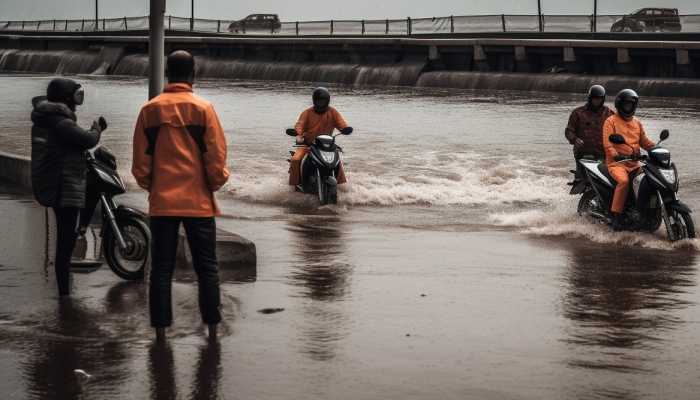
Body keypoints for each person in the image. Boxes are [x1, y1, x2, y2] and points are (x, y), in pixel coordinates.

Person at [131, 50, 230, 342]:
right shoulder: (203, 108)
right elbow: (216, 157)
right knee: (207, 268)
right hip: (198, 203)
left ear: (167, 74)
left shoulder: (150, 110)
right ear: (193, 75)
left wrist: (154, 187)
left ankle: (161, 332)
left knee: (161, 268)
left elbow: (140, 163)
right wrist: (214, 184)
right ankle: (212, 328)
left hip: (162, 203)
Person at [30, 78, 106, 297]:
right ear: (66, 98)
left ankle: (80, 230)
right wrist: (97, 128)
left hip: (55, 183)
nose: (78, 100)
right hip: (62, 186)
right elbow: (87, 139)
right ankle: (64, 295)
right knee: (65, 242)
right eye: (76, 96)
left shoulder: (48, 118)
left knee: (67, 235)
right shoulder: (60, 122)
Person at [602, 89, 656, 231]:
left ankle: (641, 211)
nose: (628, 107)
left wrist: (657, 149)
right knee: (624, 182)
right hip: (616, 163)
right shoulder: (610, 121)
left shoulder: (637, 122)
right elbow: (608, 144)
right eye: (626, 104)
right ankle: (616, 216)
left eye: (631, 105)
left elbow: (645, 142)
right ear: (620, 105)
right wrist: (616, 155)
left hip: (635, 163)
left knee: (649, 179)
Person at [289, 87, 353, 189]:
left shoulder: (333, 112)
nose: (321, 103)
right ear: (314, 101)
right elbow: (299, 125)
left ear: (327, 101)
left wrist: (345, 129)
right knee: (295, 160)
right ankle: (294, 184)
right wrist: (298, 134)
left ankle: (341, 185)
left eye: (323, 101)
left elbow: (341, 123)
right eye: (319, 101)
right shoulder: (307, 112)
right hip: (308, 144)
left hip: (327, 145)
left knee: (337, 161)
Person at [564, 85, 613, 188]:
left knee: (607, 181)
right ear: (590, 98)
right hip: (583, 153)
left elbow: (618, 130)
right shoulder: (578, 113)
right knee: (581, 181)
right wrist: (574, 139)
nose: (597, 101)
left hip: (603, 154)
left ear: (603, 99)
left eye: (599, 99)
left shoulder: (609, 113)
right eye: (595, 99)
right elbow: (569, 131)